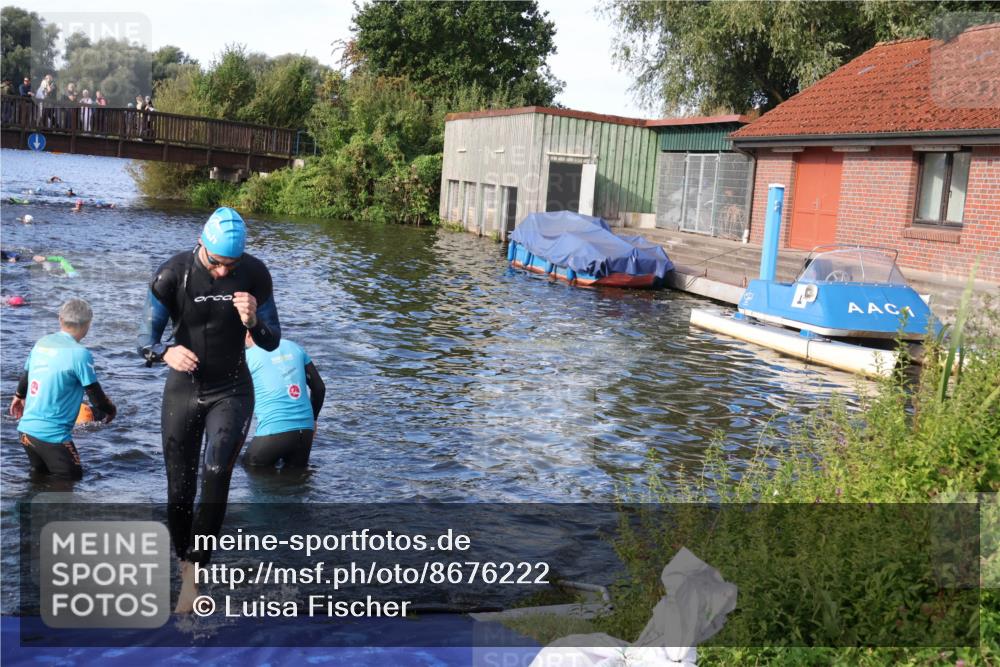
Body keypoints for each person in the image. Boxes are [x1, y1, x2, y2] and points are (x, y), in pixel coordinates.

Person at [137, 207, 280, 613]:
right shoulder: (172, 275)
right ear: (201, 244)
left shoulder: (255, 274)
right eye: (216, 263)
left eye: (230, 265)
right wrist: (166, 351)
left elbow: (272, 341)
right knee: (179, 489)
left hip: (232, 389)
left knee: (217, 471)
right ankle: (184, 562)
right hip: (183, 389)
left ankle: (194, 576)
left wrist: (253, 321)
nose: (222, 272)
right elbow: (143, 339)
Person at [9, 299, 117, 480]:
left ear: (60, 319)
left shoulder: (42, 343)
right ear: (88, 324)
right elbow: (95, 397)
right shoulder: (80, 354)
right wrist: (111, 410)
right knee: (71, 483)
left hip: (26, 432)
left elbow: (26, 375)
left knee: (39, 480)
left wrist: (19, 396)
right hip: (52, 437)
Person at [243, 333, 325, 468]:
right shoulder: (295, 347)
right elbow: (319, 388)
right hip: (305, 433)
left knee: (249, 468)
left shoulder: (248, 357)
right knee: (296, 482)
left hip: (272, 433)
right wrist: (314, 420)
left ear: (248, 334)